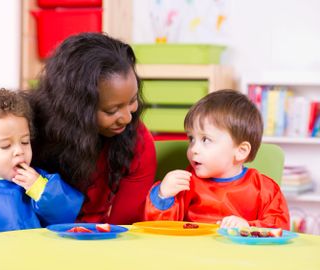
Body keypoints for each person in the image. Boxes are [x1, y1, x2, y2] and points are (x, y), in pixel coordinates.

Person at [23, 33, 157, 225]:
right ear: (74, 109)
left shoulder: (137, 140)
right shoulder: (19, 129)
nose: (128, 118)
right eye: (112, 110)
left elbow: (124, 225)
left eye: (133, 100)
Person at [145, 89, 290, 230]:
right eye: (191, 139)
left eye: (205, 139)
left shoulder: (264, 189)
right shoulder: (186, 183)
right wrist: (163, 196)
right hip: (194, 252)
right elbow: (160, 229)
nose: (193, 148)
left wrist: (248, 227)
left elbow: (279, 229)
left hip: (240, 253)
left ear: (240, 151)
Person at [0, 88, 84, 239]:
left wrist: (40, 189)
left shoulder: (39, 180)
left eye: (25, 142)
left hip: (39, 259)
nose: (19, 151)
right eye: (6, 145)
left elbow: (66, 214)